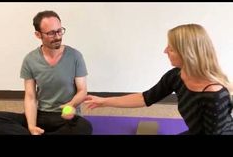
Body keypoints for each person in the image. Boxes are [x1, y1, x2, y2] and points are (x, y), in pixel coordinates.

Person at [85, 24, 233, 135]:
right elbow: (145, 98)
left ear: (187, 53)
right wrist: (104, 101)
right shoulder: (176, 75)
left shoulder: (215, 94)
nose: (165, 51)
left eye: (171, 48)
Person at [0, 10, 92, 135]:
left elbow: (82, 90)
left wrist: (71, 105)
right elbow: (30, 97)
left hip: (65, 116)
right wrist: (31, 127)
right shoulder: (30, 60)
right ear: (38, 35)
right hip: (41, 115)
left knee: (84, 127)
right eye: (51, 33)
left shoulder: (75, 56)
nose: (58, 36)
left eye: (59, 30)